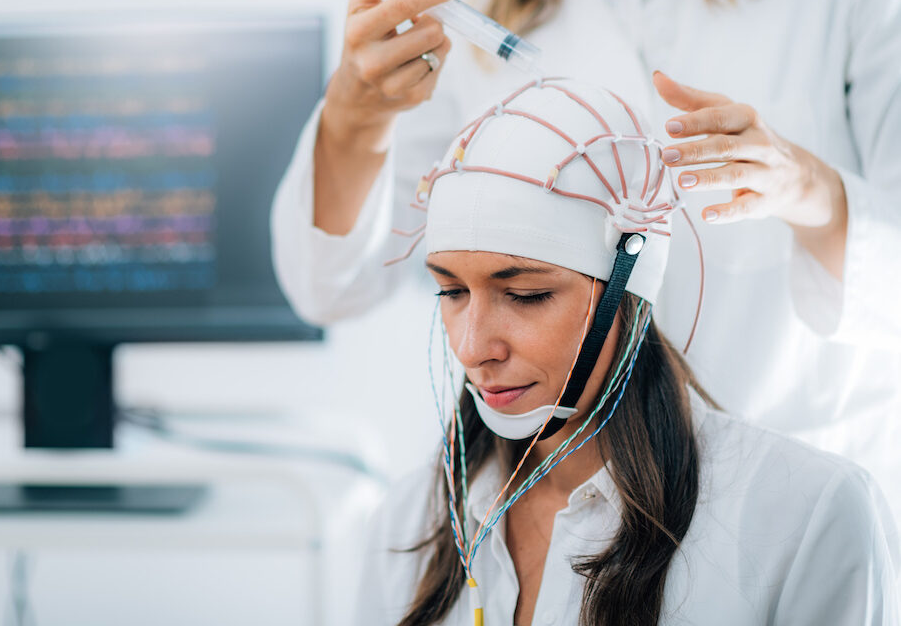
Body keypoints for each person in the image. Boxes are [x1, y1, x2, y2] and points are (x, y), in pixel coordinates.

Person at [271, 0, 901, 517]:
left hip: (797, 499)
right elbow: (329, 284)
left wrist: (810, 191)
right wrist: (354, 118)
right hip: (572, 512)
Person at [352, 80, 898, 626]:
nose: (473, 349)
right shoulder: (406, 523)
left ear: (627, 286)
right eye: (451, 292)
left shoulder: (806, 517)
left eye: (526, 295)